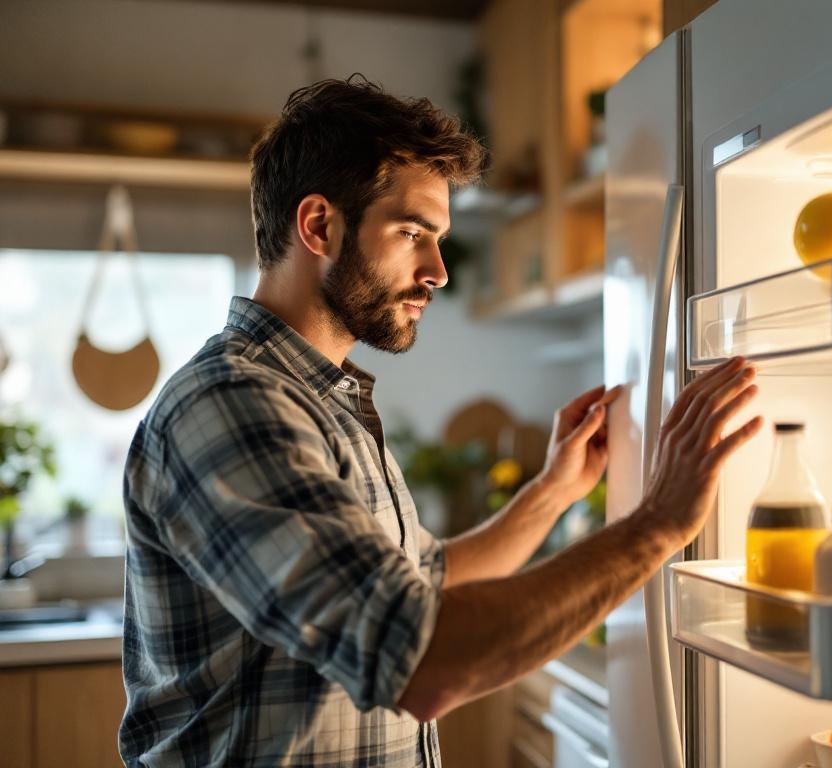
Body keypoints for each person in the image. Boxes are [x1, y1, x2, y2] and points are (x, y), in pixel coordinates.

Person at [118, 77, 762, 768]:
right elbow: (422, 660)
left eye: (440, 239)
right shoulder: (233, 403)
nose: (438, 271)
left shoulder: (322, 401)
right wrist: (659, 523)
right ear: (318, 226)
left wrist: (554, 490)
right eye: (413, 233)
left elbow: (426, 578)